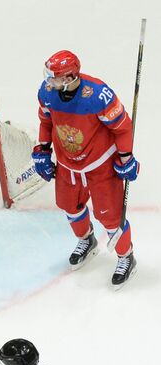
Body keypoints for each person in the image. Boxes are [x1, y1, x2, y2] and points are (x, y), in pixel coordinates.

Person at [32, 50, 139, 289]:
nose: (49, 81)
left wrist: (126, 157)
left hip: (99, 164)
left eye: (55, 77)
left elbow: (123, 128)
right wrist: (42, 149)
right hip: (68, 164)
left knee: (109, 217)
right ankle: (86, 240)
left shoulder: (98, 95)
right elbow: (46, 121)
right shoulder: (47, 92)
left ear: (69, 78)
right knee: (70, 206)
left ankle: (125, 257)